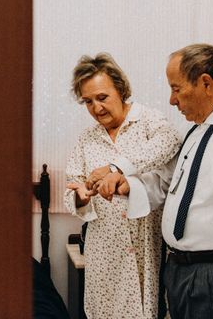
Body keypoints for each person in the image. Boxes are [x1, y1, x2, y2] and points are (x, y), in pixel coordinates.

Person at [89, 44, 213, 319]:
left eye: (176, 88)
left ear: (206, 83)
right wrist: (130, 186)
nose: (172, 100)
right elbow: (171, 186)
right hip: (182, 271)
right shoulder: (197, 130)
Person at [64, 53, 181, 319]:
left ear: (121, 89)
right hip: (103, 251)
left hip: (145, 248)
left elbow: (170, 142)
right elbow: (71, 190)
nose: (96, 108)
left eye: (102, 97)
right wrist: (81, 196)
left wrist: (116, 167)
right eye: (88, 101)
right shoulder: (86, 140)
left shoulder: (149, 121)